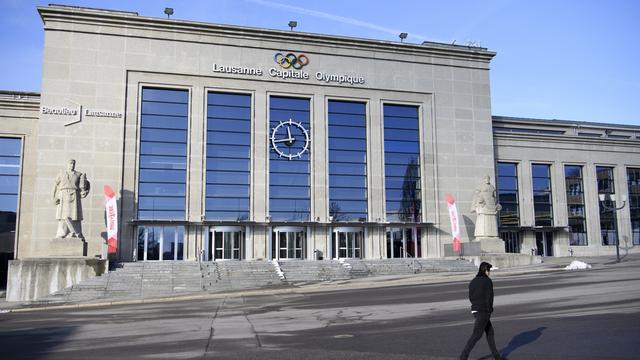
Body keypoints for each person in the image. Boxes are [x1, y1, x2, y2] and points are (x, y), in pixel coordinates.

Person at [460, 261, 503, 360]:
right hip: (483, 311)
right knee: (476, 335)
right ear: (485, 270)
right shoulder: (487, 281)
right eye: (489, 270)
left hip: (475, 309)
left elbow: (471, 296)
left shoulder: (473, 281)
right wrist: (489, 311)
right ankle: (463, 356)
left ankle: (496, 356)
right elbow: (489, 298)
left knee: (490, 333)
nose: (489, 273)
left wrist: (475, 305)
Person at [53, 159, 90, 238]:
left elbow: (85, 185)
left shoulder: (79, 174)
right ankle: (62, 233)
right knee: (63, 215)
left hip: (74, 195)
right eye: (70, 163)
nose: (72, 165)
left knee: (75, 215)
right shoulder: (61, 174)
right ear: (67, 164)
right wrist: (54, 197)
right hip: (63, 195)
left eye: (73, 164)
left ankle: (76, 233)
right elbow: (55, 186)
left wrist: (85, 191)